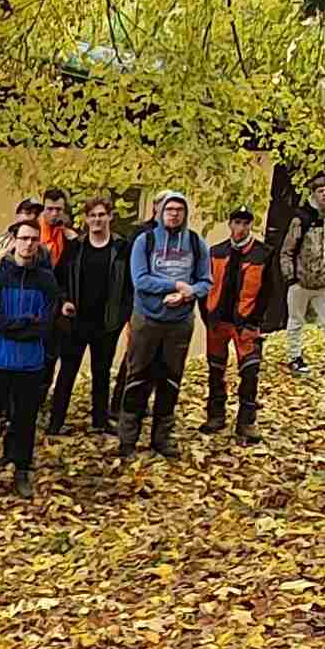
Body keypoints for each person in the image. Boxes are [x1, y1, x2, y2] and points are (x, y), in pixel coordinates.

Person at [113, 189, 207, 460]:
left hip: (180, 322)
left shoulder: (195, 242)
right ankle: (128, 440)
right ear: (160, 212)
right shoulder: (146, 240)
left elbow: (205, 281)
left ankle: (162, 438)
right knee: (137, 377)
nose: (174, 214)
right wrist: (175, 284)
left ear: (185, 214)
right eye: (169, 209)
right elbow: (140, 280)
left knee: (170, 379)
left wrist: (189, 293)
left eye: (179, 210)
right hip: (148, 319)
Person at [0, 219, 56, 492]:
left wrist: (22, 326)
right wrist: (28, 323)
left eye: (33, 239)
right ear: (13, 240)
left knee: (25, 419)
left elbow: (48, 324)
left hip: (30, 363)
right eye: (24, 238)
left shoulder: (47, 280)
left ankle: (22, 471)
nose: (28, 244)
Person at [48, 197, 129, 434]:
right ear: (86, 219)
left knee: (101, 372)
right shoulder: (75, 248)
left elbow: (129, 288)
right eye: (92, 215)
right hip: (76, 322)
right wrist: (63, 302)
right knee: (67, 372)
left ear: (110, 217)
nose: (97, 220)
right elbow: (58, 280)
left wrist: (121, 316)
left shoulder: (121, 248)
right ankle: (56, 422)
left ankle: (99, 422)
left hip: (107, 322)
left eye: (102, 215)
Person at [202, 203, 272, 441]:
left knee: (250, 371)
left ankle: (246, 421)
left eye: (245, 223)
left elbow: (269, 290)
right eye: (237, 222)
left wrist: (256, 321)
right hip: (217, 322)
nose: (241, 227)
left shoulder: (264, 253)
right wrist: (207, 316)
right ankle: (215, 415)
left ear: (251, 225)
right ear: (230, 224)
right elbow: (204, 286)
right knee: (215, 369)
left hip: (246, 323)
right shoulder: (215, 252)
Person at [281, 174, 325, 378]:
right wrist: (291, 278)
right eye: (320, 191)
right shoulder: (302, 219)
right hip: (301, 281)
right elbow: (287, 250)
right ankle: (295, 357)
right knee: (296, 321)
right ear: (314, 194)